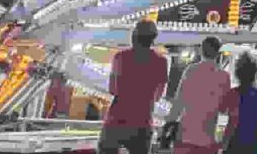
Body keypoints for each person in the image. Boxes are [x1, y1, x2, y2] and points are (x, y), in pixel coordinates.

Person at [99, 20, 169, 154]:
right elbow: (158, 96)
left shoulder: (120, 57)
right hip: (142, 122)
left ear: (134, 36)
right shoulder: (161, 62)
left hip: (117, 120)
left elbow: (112, 89)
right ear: (153, 38)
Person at [164, 36, 231, 154]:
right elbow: (224, 108)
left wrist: (169, 123)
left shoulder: (190, 70)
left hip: (185, 135)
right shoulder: (224, 77)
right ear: (218, 52)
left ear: (201, 50)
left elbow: (179, 102)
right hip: (208, 139)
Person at [221, 51, 257, 154]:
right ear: (255, 72)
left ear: (237, 73)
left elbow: (232, 123)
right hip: (254, 144)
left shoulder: (233, 94)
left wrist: (223, 145)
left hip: (236, 143)